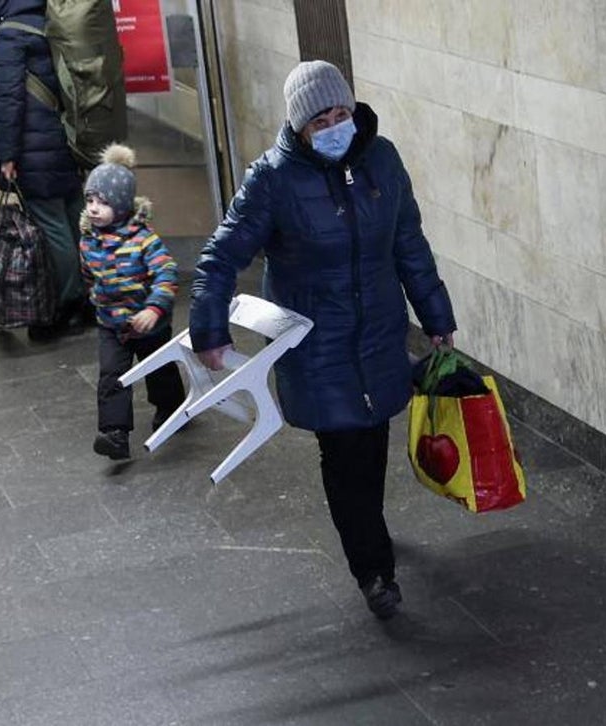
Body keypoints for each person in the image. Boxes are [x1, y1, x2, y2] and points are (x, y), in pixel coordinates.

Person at [189, 60, 456, 619]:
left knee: (372, 437)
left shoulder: (382, 160)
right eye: (320, 121)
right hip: (318, 345)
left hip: (378, 333)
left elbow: (409, 242)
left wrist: (436, 315)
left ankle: (370, 533)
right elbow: (221, 256)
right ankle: (373, 571)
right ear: (299, 127)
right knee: (343, 451)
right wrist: (208, 331)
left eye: (342, 114)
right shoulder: (273, 179)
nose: (335, 126)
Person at [0, 0, 87, 340]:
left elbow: (10, 100)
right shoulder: (48, 24)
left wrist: (6, 156)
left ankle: (68, 303)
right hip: (63, 139)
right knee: (76, 217)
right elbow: (32, 82)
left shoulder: (8, 37)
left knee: (52, 225)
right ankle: (94, 294)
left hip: (34, 149)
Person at [79, 144, 184, 461]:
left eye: (103, 202)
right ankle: (114, 433)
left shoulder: (144, 239)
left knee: (159, 372)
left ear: (123, 205)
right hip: (111, 324)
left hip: (149, 322)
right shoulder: (88, 240)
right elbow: (89, 274)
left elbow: (167, 273)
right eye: (90, 201)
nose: (94, 208)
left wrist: (154, 309)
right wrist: (96, 297)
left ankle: (172, 408)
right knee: (112, 376)